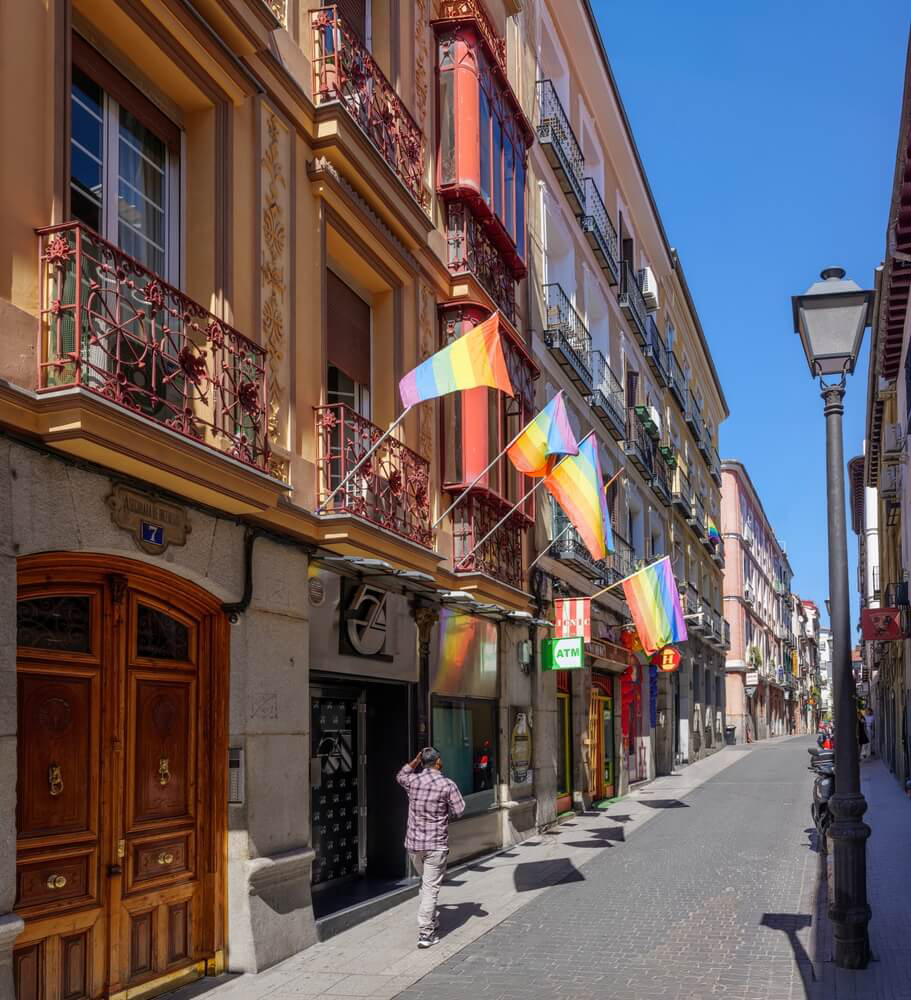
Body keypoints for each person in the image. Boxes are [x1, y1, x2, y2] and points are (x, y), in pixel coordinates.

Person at [396, 747, 465, 949]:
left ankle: (431, 920)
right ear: (437, 762)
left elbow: (400, 775)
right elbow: (459, 810)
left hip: (414, 845)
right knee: (430, 888)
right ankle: (426, 932)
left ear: (422, 761)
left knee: (426, 884)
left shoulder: (413, 781)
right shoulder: (447, 785)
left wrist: (415, 761)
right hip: (435, 844)